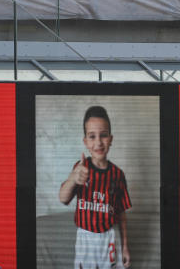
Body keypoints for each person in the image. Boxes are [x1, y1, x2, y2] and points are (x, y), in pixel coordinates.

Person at [58, 105, 131, 269]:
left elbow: (121, 213)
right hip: (86, 237)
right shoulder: (80, 168)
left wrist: (125, 246)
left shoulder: (117, 174)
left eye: (103, 135)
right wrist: (73, 179)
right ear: (85, 141)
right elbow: (63, 198)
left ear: (110, 139)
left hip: (110, 236)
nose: (98, 142)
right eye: (92, 136)